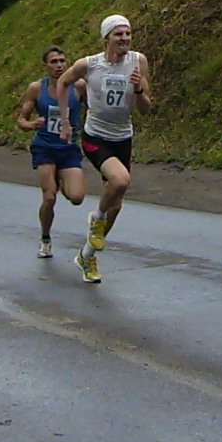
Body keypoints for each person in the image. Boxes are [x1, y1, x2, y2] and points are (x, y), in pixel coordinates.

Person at [56, 14, 153, 284]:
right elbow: (63, 83)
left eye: (128, 34)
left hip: (123, 136)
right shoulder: (89, 65)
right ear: (106, 38)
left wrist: (137, 90)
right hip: (96, 135)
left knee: (117, 202)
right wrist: (65, 121)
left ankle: (87, 256)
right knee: (120, 181)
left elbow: (146, 108)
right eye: (118, 34)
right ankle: (96, 218)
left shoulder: (138, 61)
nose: (124, 39)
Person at [16, 45, 87, 259]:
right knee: (49, 198)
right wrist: (30, 125)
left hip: (68, 148)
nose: (59, 65)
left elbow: (93, 108)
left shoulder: (79, 86)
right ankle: (45, 239)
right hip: (45, 146)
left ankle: (61, 179)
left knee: (76, 197)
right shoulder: (37, 88)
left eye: (62, 61)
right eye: (54, 62)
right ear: (45, 65)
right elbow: (21, 119)